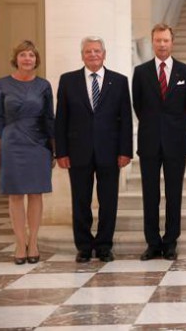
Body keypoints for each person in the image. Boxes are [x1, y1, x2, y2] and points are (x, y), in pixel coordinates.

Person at [55, 36, 133, 263]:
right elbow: (61, 119)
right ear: (82, 55)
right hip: (78, 151)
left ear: (104, 54)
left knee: (109, 201)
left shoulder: (119, 81)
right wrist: (61, 151)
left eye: (97, 51)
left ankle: (104, 246)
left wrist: (125, 150)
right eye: (88, 51)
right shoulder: (68, 81)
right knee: (80, 200)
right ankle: (84, 246)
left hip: (110, 152)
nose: (93, 55)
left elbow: (125, 120)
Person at [133, 23, 186, 261]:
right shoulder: (140, 73)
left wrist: (173, 128)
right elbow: (138, 106)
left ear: (172, 42)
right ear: (152, 42)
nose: (161, 44)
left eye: (165, 40)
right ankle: (152, 242)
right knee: (150, 194)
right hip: (149, 141)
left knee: (174, 193)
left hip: (176, 141)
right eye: (158, 40)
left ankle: (170, 242)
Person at [0, 40, 54, 265]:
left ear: (36, 60)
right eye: (23, 55)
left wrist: (54, 148)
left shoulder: (44, 86)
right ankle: (20, 243)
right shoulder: (3, 84)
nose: (27, 59)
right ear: (16, 59)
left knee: (36, 193)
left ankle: (33, 242)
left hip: (38, 144)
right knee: (15, 195)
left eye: (31, 55)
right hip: (11, 143)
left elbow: (49, 118)